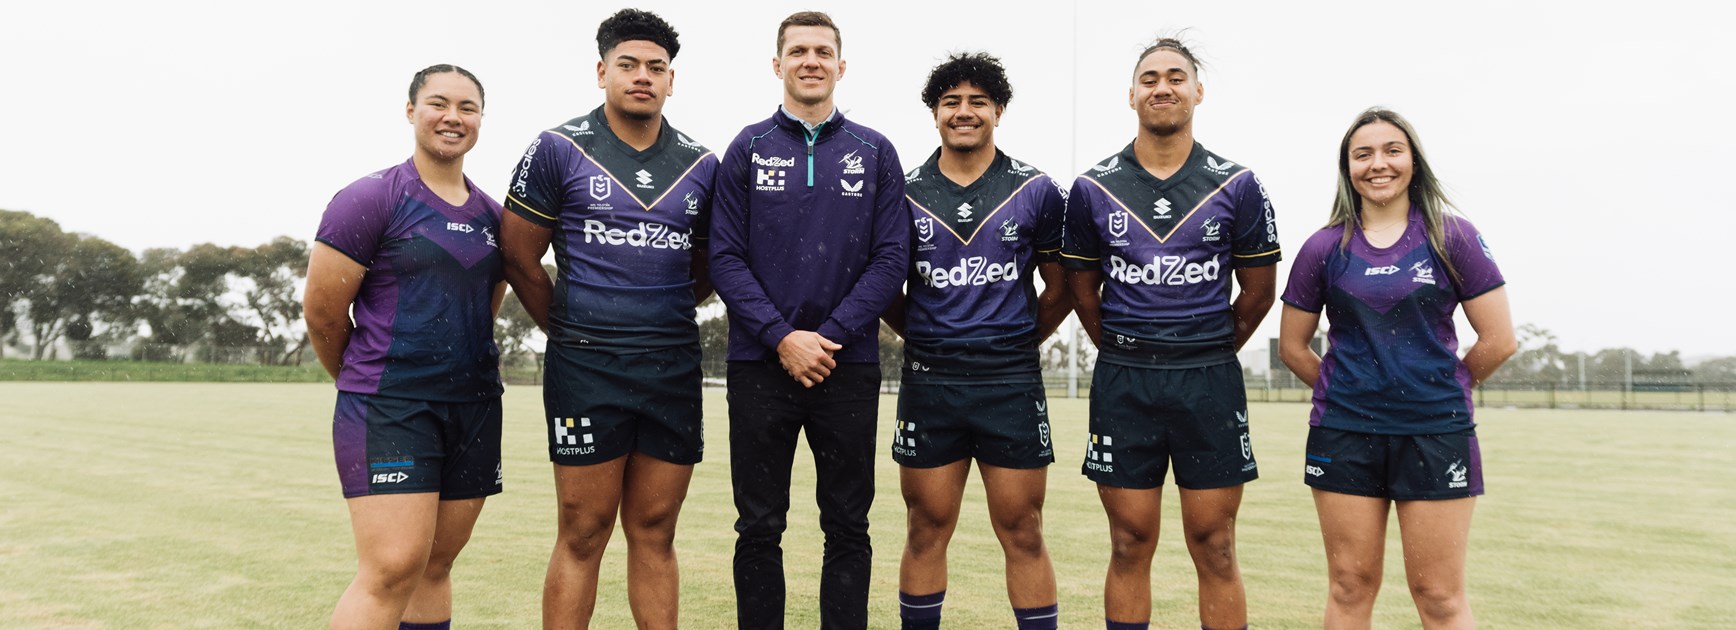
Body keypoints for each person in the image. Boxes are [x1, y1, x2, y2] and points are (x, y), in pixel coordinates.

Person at [498, 9, 716, 630]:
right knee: (584, 531)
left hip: (671, 366)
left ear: (672, 79)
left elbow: (706, 269)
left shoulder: (703, 164)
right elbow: (518, 254)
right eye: (628, 65)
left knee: (654, 529)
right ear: (602, 72)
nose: (642, 77)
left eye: (656, 67)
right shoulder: (558, 148)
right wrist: (569, 328)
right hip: (585, 368)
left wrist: (660, 315)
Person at [1059, 37, 1279, 630]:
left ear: (1197, 91)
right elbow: (1082, 292)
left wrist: (1207, 348)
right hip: (1125, 380)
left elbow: (1258, 293)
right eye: (1150, 78)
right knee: (1130, 543)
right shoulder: (1092, 187)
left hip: (1208, 380)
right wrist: (1124, 347)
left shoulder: (1238, 183)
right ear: (1131, 95)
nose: (1163, 87)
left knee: (1216, 546)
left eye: (1176, 77)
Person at [709, 10, 908, 630]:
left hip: (846, 368)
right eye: (798, 51)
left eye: (823, 51)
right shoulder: (747, 147)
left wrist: (830, 336)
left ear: (841, 66)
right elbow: (724, 255)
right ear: (778, 65)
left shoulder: (875, 151)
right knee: (759, 527)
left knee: (848, 525)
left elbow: (891, 257)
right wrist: (781, 337)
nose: (811, 61)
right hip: (759, 366)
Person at [1278, 107, 1515, 629]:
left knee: (1439, 595)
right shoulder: (1323, 247)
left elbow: (1499, 340)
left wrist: (1442, 385)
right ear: (1348, 167)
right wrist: (1350, 391)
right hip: (1343, 433)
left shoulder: (1453, 236)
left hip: (1434, 432)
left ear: (1413, 161)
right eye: (1363, 154)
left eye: (1392, 151)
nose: (1378, 164)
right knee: (1349, 586)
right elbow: (1292, 348)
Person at [304, 64, 503, 630]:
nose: (452, 117)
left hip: (474, 406)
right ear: (411, 110)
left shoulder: (493, 215)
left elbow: (482, 310)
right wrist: (365, 378)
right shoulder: (369, 198)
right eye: (438, 103)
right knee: (392, 568)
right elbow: (322, 312)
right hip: (390, 405)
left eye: (467, 107)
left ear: (480, 120)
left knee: (434, 565)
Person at [881, 52, 1069, 630]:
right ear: (935, 114)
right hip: (931, 380)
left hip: (1009, 381)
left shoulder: (1036, 189)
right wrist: (933, 338)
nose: (964, 113)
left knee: (1024, 530)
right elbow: (888, 288)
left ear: (998, 111)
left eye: (977, 102)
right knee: (925, 527)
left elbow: (1059, 288)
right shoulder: (902, 191)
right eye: (951, 103)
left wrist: (1013, 342)